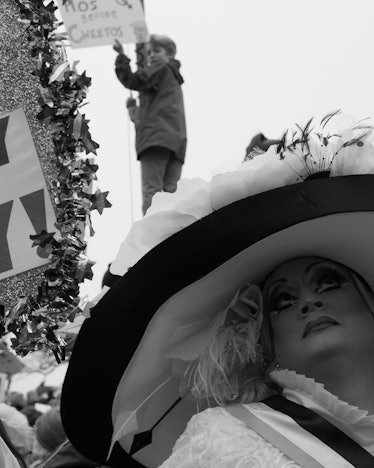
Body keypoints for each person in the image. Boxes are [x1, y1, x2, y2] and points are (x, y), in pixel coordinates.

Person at [61, 111, 374, 467]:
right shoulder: (222, 441)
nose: (308, 302)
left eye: (329, 282)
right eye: (282, 300)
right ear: (268, 346)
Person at [113, 34, 187, 215]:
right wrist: (133, 110)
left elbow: (133, 80)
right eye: (149, 52)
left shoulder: (160, 68)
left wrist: (121, 55)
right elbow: (153, 113)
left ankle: (152, 237)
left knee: (152, 194)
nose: (151, 56)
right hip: (176, 143)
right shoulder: (171, 80)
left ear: (169, 55)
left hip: (155, 140)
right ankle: (172, 233)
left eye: (156, 51)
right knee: (170, 195)